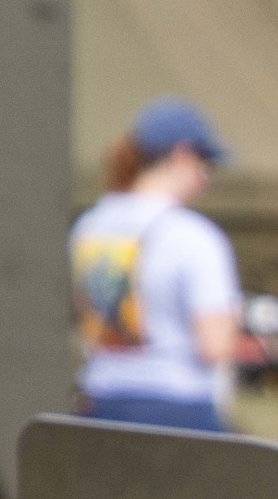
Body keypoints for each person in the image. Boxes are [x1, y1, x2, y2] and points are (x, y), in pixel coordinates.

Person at [70, 97, 241, 432]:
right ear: (180, 156)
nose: (207, 179)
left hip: (101, 401)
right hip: (180, 408)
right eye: (204, 165)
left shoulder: (88, 227)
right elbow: (215, 346)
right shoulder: (194, 236)